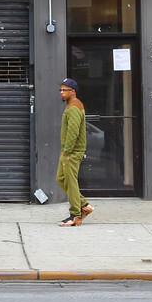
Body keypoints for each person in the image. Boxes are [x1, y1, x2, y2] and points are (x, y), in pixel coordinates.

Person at [56, 78, 91, 227]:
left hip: (73, 151)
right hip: (68, 150)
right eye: (61, 90)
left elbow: (73, 132)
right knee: (61, 179)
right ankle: (83, 205)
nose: (61, 93)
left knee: (70, 181)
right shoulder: (71, 106)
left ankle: (76, 215)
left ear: (73, 91)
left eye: (65, 90)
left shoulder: (75, 107)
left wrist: (68, 151)